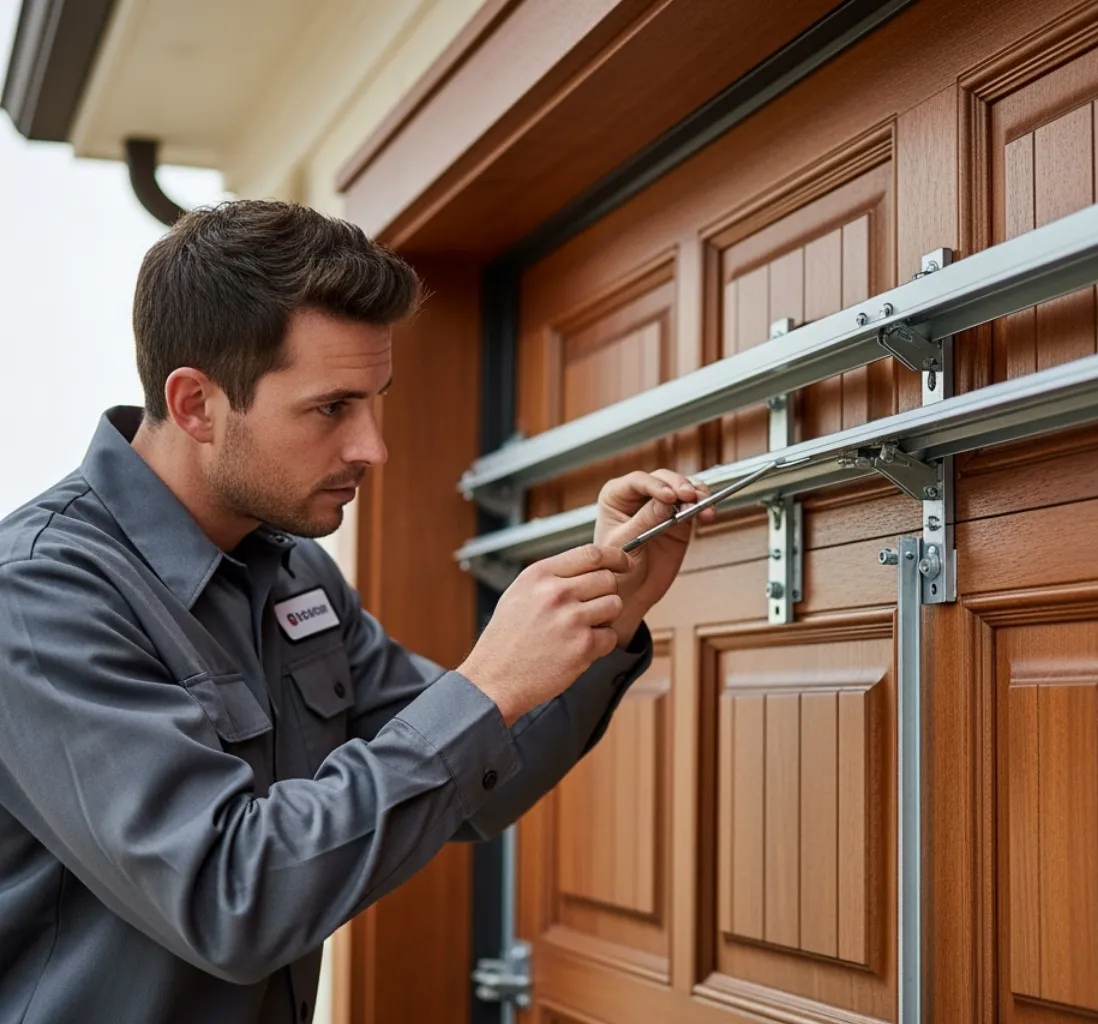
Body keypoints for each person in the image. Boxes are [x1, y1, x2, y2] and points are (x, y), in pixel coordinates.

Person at [0, 200, 712, 1023]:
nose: (373, 448)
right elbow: (233, 896)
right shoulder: (39, 595)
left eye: (375, 401)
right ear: (196, 404)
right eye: (332, 408)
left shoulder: (297, 573)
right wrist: (482, 685)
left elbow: (473, 786)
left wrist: (606, 613)